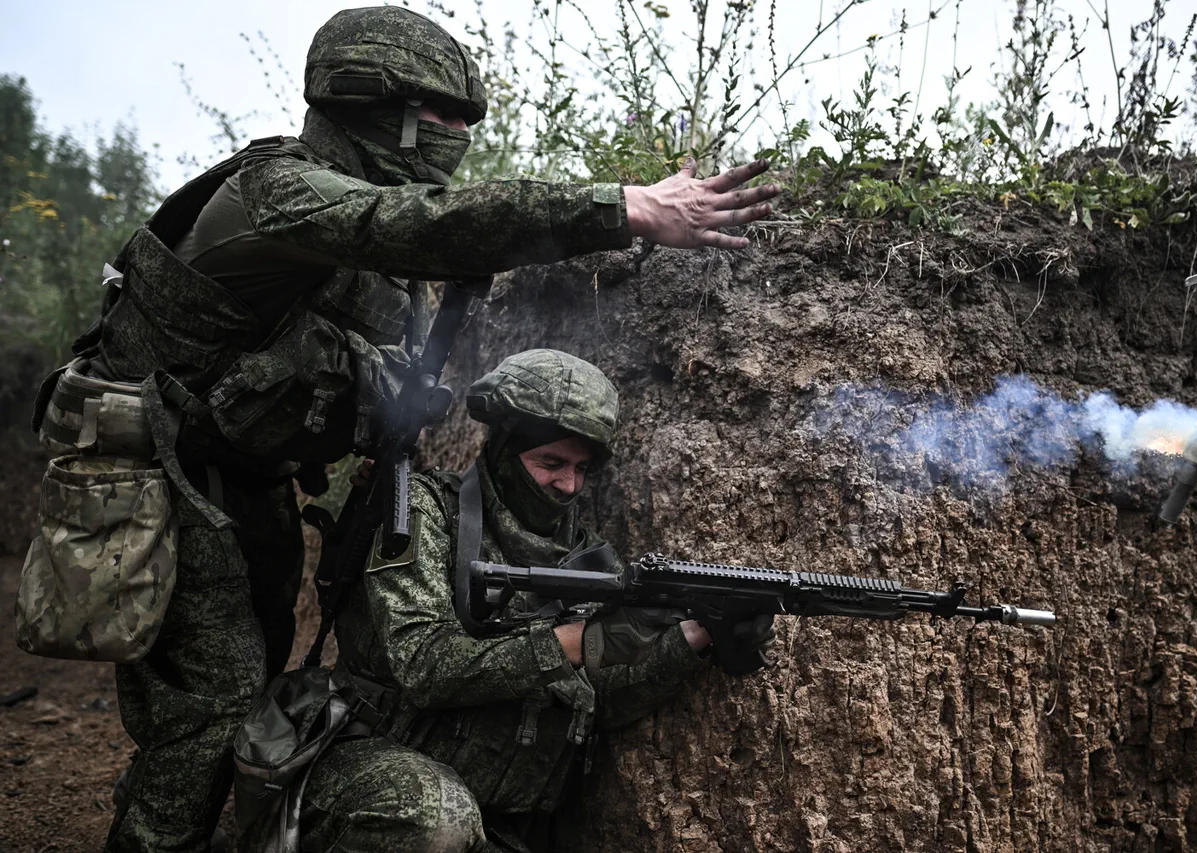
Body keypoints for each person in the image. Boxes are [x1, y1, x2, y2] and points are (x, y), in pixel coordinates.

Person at [32, 5, 780, 851]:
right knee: (209, 708)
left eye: (468, 120)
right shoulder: (278, 193)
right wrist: (624, 207)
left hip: (250, 481)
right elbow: (420, 225)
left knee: (244, 692)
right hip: (161, 474)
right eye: (442, 115)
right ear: (365, 101)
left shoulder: (365, 237)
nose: (458, 135)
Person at [281, 349, 773, 852]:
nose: (568, 484)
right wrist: (575, 641)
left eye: (582, 468)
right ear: (503, 449)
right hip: (374, 772)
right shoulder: (423, 512)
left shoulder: (590, 559)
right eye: (551, 462)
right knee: (436, 819)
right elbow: (424, 664)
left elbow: (603, 703)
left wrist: (692, 639)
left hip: (498, 820)